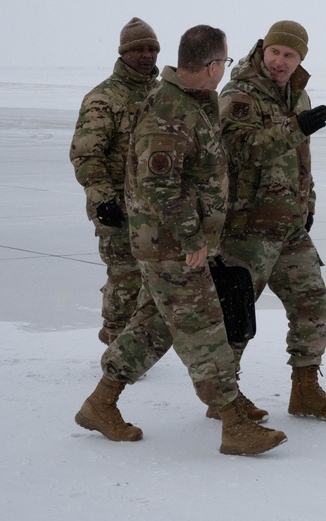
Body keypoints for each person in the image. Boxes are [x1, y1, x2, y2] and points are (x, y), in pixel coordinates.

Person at [75, 25, 287, 456]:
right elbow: (159, 187)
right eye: (224, 63)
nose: (224, 71)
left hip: (180, 242)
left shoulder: (193, 102)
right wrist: (192, 237)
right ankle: (232, 422)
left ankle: (100, 403)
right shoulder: (171, 111)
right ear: (210, 66)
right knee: (203, 330)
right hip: (172, 245)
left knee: (153, 327)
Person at [217, 20, 326, 422]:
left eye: (289, 55)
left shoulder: (298, 95)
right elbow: (239, 149)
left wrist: (308, 202)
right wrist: (294, 128)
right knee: (235, 317)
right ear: (263, 49)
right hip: (247, 227)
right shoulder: (239, 93)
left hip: (289, 225)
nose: (280, 61)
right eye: (275, 52)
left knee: (312, 303)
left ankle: (305, 389)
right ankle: (223, 396)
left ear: (299, 60)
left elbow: (301, 157)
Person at [70, 17, 160, 345]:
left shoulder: (165, 94)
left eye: (151, 49)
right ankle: (115, 341)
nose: (146, 55)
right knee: (125, 280)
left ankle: (137, 345)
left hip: (159, 209)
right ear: (123, 53)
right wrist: (102, 200)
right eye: (138, 49)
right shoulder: (104, 97)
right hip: (118, 209)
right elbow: (86, 153)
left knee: (155, 282)